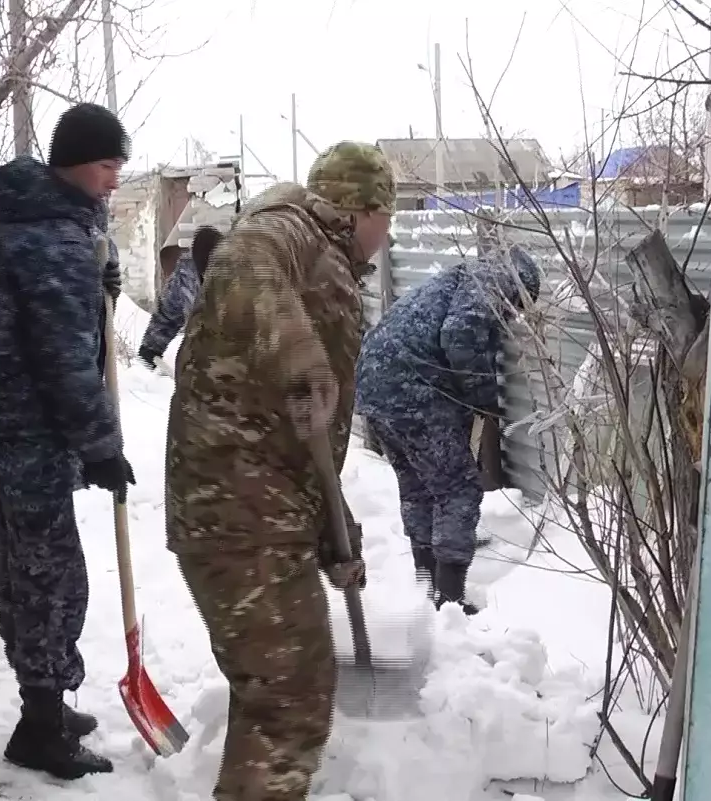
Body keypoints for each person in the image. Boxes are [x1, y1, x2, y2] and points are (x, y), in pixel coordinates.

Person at [165, 142, 396, 800]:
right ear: (358, 210)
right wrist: (297, 349)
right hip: (240, 508)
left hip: (256, 506)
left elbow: (306, 440)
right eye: (387, 216)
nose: (388, 234)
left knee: (273, 688)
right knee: (290, 695)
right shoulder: (291, 229)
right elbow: (239, 260)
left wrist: (334, 530)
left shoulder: (325, 260)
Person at [0, 102, 137, 780]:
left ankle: (43, 702)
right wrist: (102, 446)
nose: (115, 179)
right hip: (29, 439)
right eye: (108, 165)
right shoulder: (50, 240)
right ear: (76, 163)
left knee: (22, 574)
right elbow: (63, 358)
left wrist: (96, 281)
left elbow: (28, 311)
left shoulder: (4, 224)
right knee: (54, 581)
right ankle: (41, 726)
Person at [354, 245, 540, 614]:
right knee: (458, 490)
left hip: (374, 384)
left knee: (419, 486)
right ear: (517, 285)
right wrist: (484, 398)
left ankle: (427, 585)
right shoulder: (489, 280)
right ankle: (450, 600)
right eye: (518, 304)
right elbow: (459, 335)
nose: (513, 313)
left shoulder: (458, 277)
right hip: (409, 389)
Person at [137, 225, 223, 370]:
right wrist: (150, 348)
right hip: (199, 363)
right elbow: (168, 313)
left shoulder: (244, 273)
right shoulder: (186, 271)